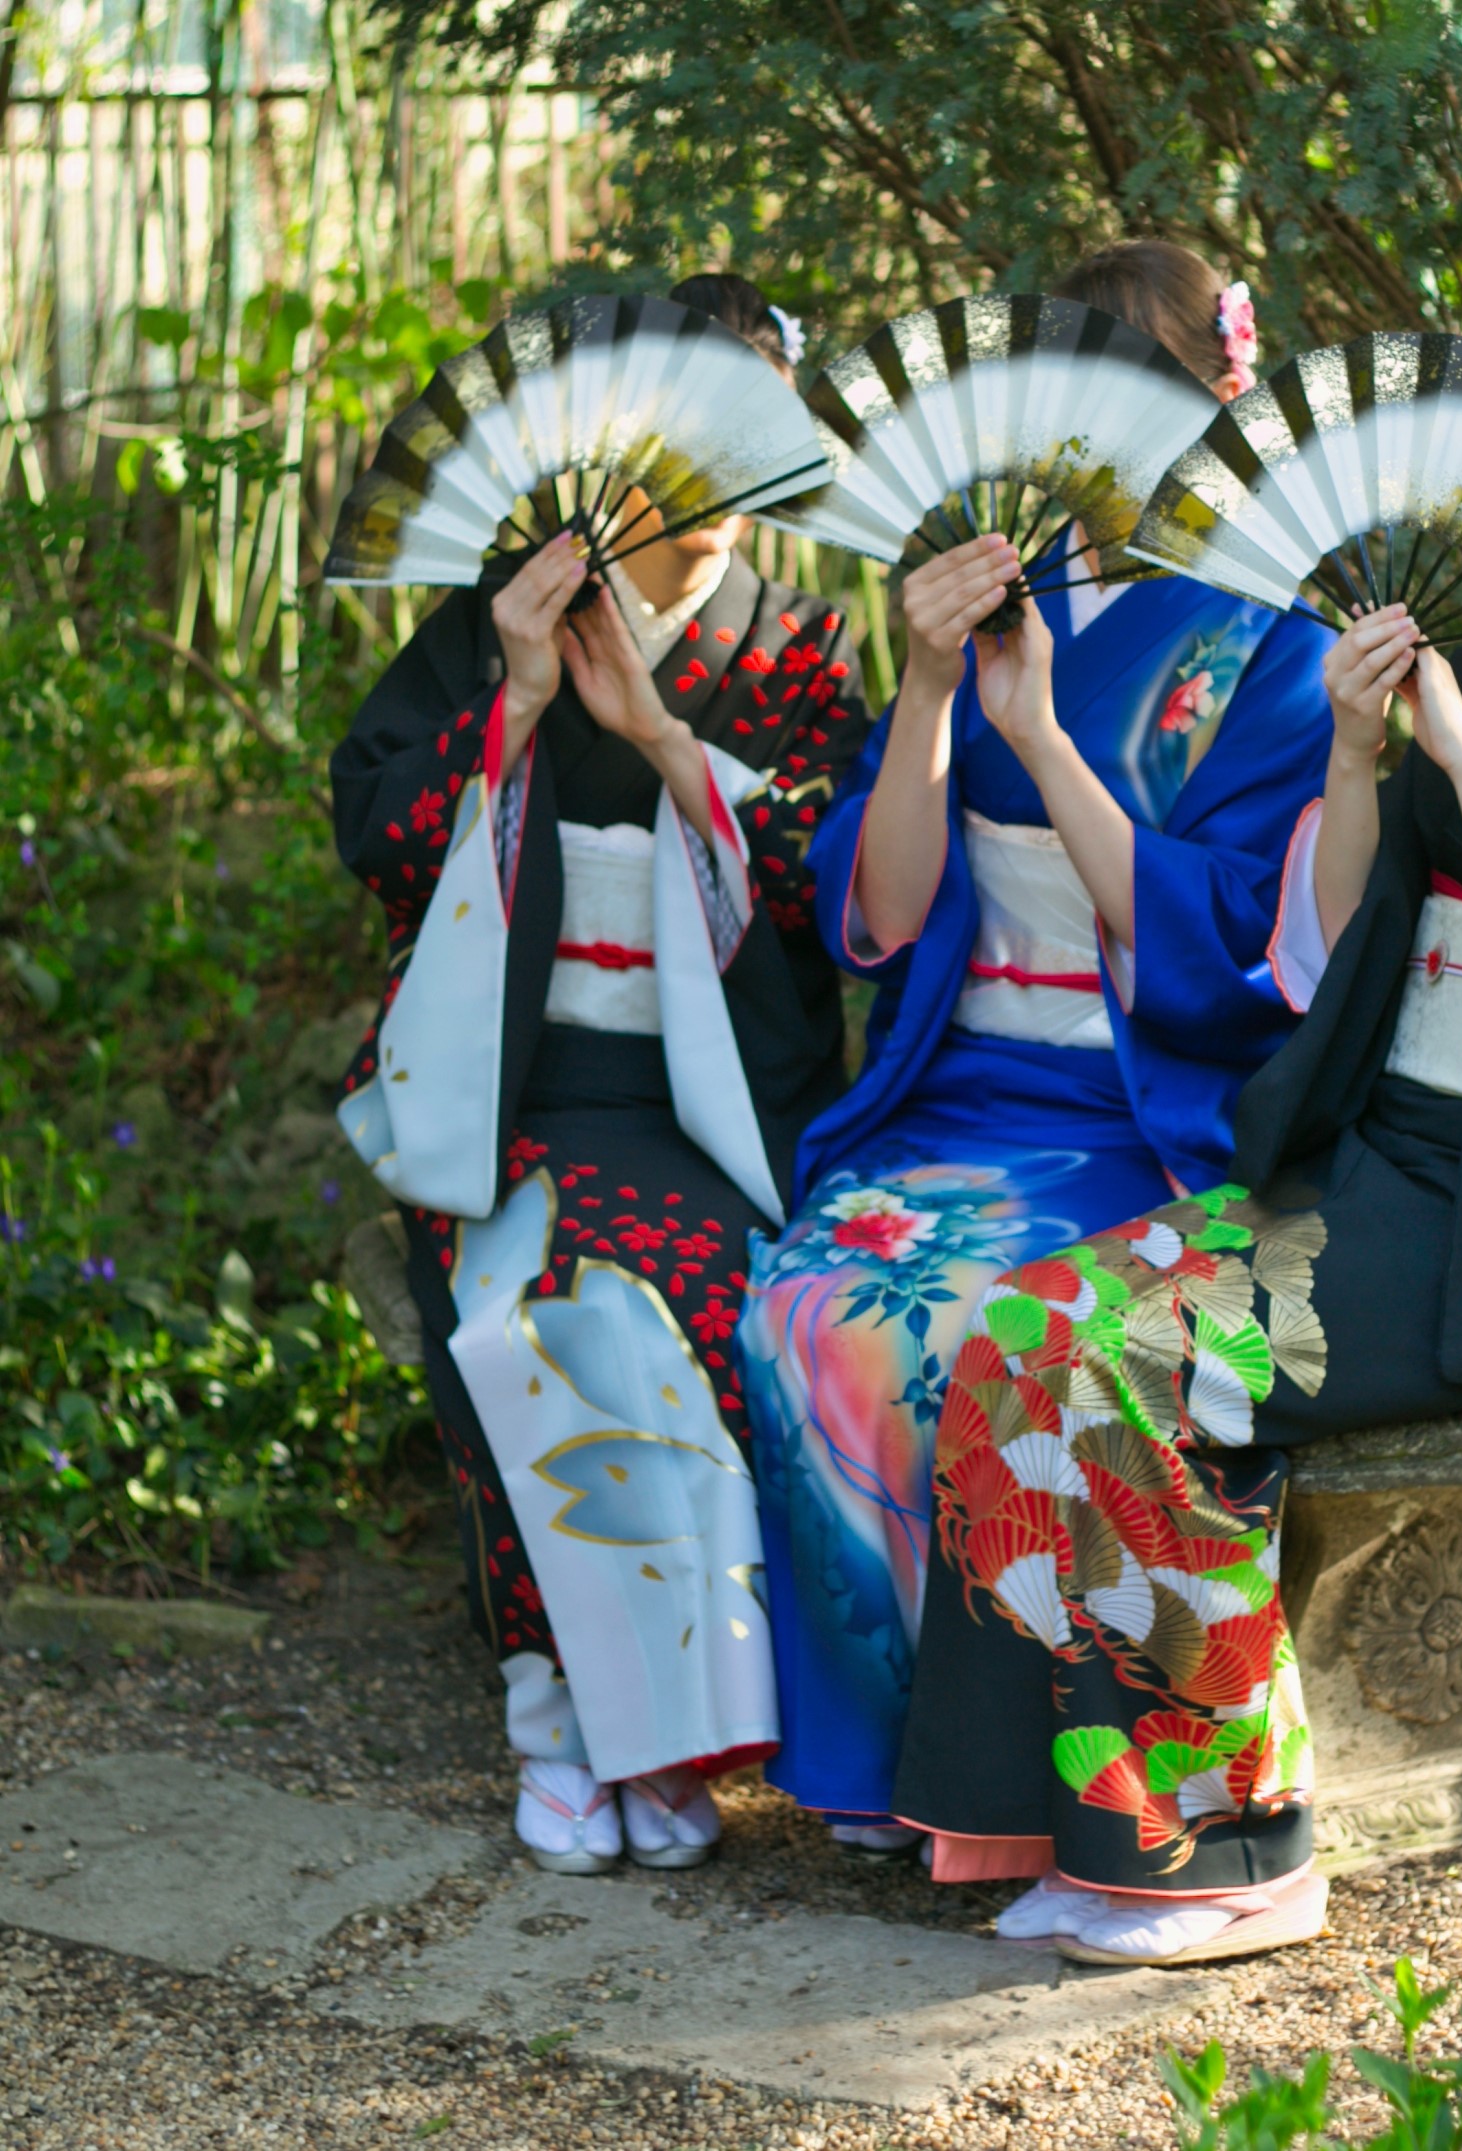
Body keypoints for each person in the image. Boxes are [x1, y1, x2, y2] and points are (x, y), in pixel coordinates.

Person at [890, 298, 1462, 1963]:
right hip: (1392, 1155)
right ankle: (1064, 1812)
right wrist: (1354, 750)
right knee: (1025, 1329)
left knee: (1150, 1359)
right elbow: (1331, 952)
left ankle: (1237, 1842)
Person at [735, 241, 1335, 1859]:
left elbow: (1234, 953)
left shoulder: (1271, 642)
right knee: (806, 1314)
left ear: (1212, 413)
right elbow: (882, 907)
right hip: (956, 1089)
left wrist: (1047, 743)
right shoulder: (998, 591)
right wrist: (932, 684)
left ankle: (998, 1781)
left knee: (959, 1338)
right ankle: (880, 1756)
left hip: (1135, 1112)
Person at [332, 273, 871, 1875]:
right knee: (534, 1308)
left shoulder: (796, 649)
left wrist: (662, 743)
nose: (721, 489)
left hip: (710, 1105)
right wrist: (514, 697)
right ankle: (558, 1708)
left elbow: (829, 894)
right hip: (509, 1092)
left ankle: (681, 1725)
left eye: (756, 452)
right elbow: (381, 840)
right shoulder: (498, 619)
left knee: (710, 1307)